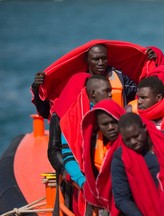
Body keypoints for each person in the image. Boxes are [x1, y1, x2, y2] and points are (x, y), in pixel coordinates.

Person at [31, 40, 156, 119]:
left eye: (104, 58)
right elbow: (48, 112)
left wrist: (151, 61)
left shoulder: (119, 77)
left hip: (118, 136)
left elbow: (144, 94)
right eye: (96, 59)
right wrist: (37, 89)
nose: (101, 63)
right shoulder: (76, 83)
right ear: (87, 60)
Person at [111, 113, 164, 216]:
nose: (133, 142)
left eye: (136, 136)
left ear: (144, 128)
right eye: (127, 140)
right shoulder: (121, 158)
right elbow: (121, 198)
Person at [60, 75, 113, 215]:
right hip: (87, 190)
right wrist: (84, 183)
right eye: (107, 91)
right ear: (94, 93)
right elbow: (68, 156)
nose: (111, 94)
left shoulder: (114, 113)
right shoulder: (72, 119)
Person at [81, 99, 125, 215]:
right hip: (103, 203)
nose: (110, 127)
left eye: (114, 122)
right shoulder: (92, 142)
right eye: (105, 124)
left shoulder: (130, 142)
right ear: (97, 125)